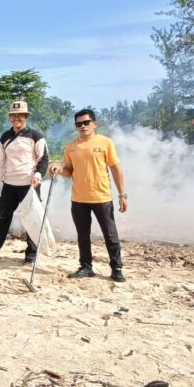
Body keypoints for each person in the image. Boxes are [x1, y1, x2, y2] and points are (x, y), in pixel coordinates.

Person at [49, 109, 128, 282]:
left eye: (86, 122)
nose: (83, 126)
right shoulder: (71, 146)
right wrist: (59, 169)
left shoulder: (105, 143)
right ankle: (86, 266)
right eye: (79, 124)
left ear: (94, 124)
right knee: (82, 235)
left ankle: (117, 268)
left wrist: (122, 195)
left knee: (110, 234)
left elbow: (116, 168)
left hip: (102, 197)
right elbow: (69, 171)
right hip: (78, 199)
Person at [0, 101, 49, 264]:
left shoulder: (36, 136)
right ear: (10, 117)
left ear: (26, 117)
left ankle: (31, 255)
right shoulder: (5, 137)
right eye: (13, 115)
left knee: (32, 218)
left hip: (29, 184)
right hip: (9, 184)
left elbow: (43, 159)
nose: (16, 118)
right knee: (1, 218)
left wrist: (38, 174)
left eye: (20, 115)